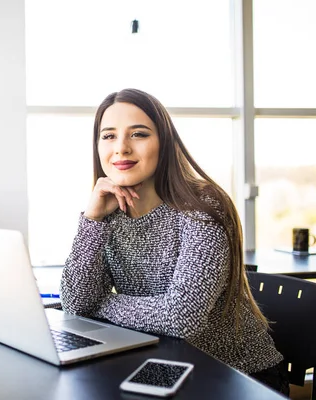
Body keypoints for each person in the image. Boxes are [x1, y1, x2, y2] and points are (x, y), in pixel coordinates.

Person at [60, 88, 290, 395]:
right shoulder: (107, 213)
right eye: (109, 135)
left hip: (237, 376)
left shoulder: (203, 205)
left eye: (138, 134)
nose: (121, 148)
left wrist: (99, 304)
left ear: (164, 142)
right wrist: (92, 221)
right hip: (163, 365)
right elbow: (75, 302)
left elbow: (182, 316)